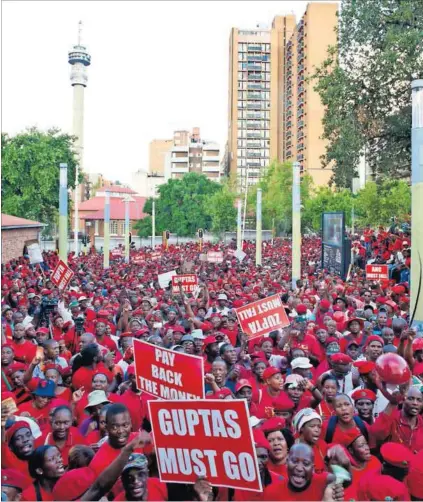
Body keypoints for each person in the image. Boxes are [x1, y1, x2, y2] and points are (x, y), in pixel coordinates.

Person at [266, 443, 343, 501]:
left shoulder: (322, 482)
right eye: (294, 461)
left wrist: (335, 487)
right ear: (287, 462)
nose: (299, 468)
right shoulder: (271, 493)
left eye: (306, 464)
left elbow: (340, 479)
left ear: (312, 468)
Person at [293, 408, 327, 473]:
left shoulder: (322, 445)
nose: (317, 430)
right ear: (302, 428)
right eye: (312, 426)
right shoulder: (293, 447)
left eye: (319, 426)